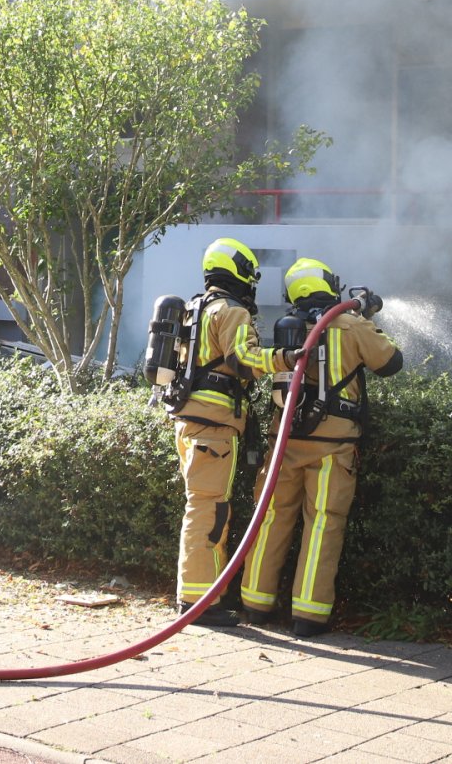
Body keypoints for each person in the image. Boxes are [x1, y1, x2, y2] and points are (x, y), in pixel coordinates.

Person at [240, 257, 402, 639]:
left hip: (285, 443)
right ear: (330, 286)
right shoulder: (348, 323)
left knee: (271, 519)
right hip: (333, 445)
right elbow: (391, 362)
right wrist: (366, 316)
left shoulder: (288, 329)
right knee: (323, 524)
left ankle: (255, 604)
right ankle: (308, 617)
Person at [171, 237, 295, 625]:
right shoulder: (231, 311)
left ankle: (203, 595)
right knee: (209, 509)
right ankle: (197, 603)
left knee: (206, 505)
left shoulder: (195, 309)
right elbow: (242, 359)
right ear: (241, 272)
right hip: (213, 427)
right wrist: (285, 358)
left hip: (192, 422)